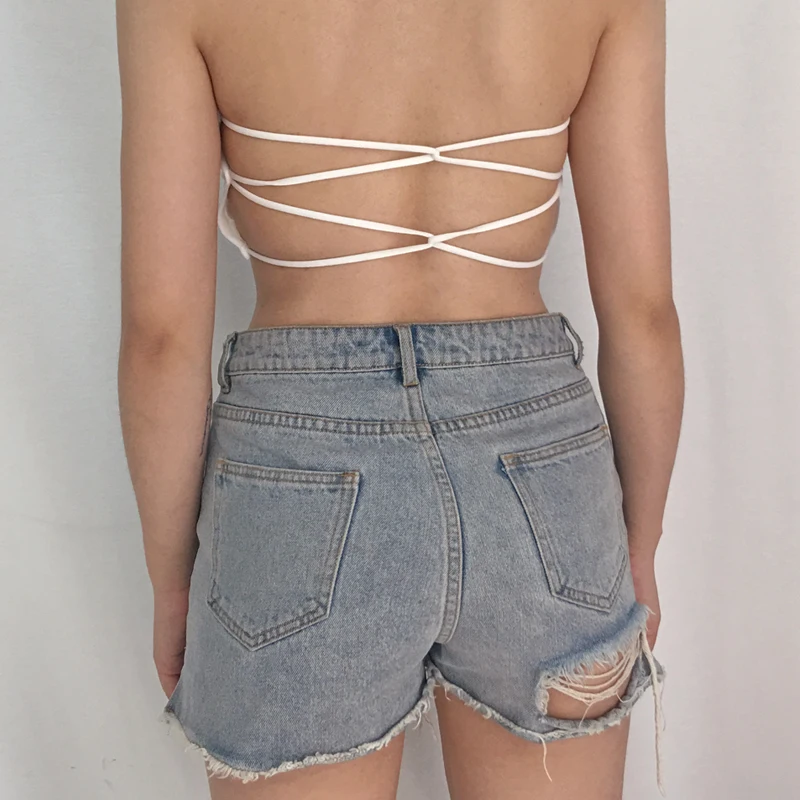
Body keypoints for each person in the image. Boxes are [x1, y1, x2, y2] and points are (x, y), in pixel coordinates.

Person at [116, 0, 683, 798]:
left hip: (300, 465)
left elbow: (162, 335)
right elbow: (645, 314)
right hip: (540, 464)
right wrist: (640, 545)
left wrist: (172, 580)